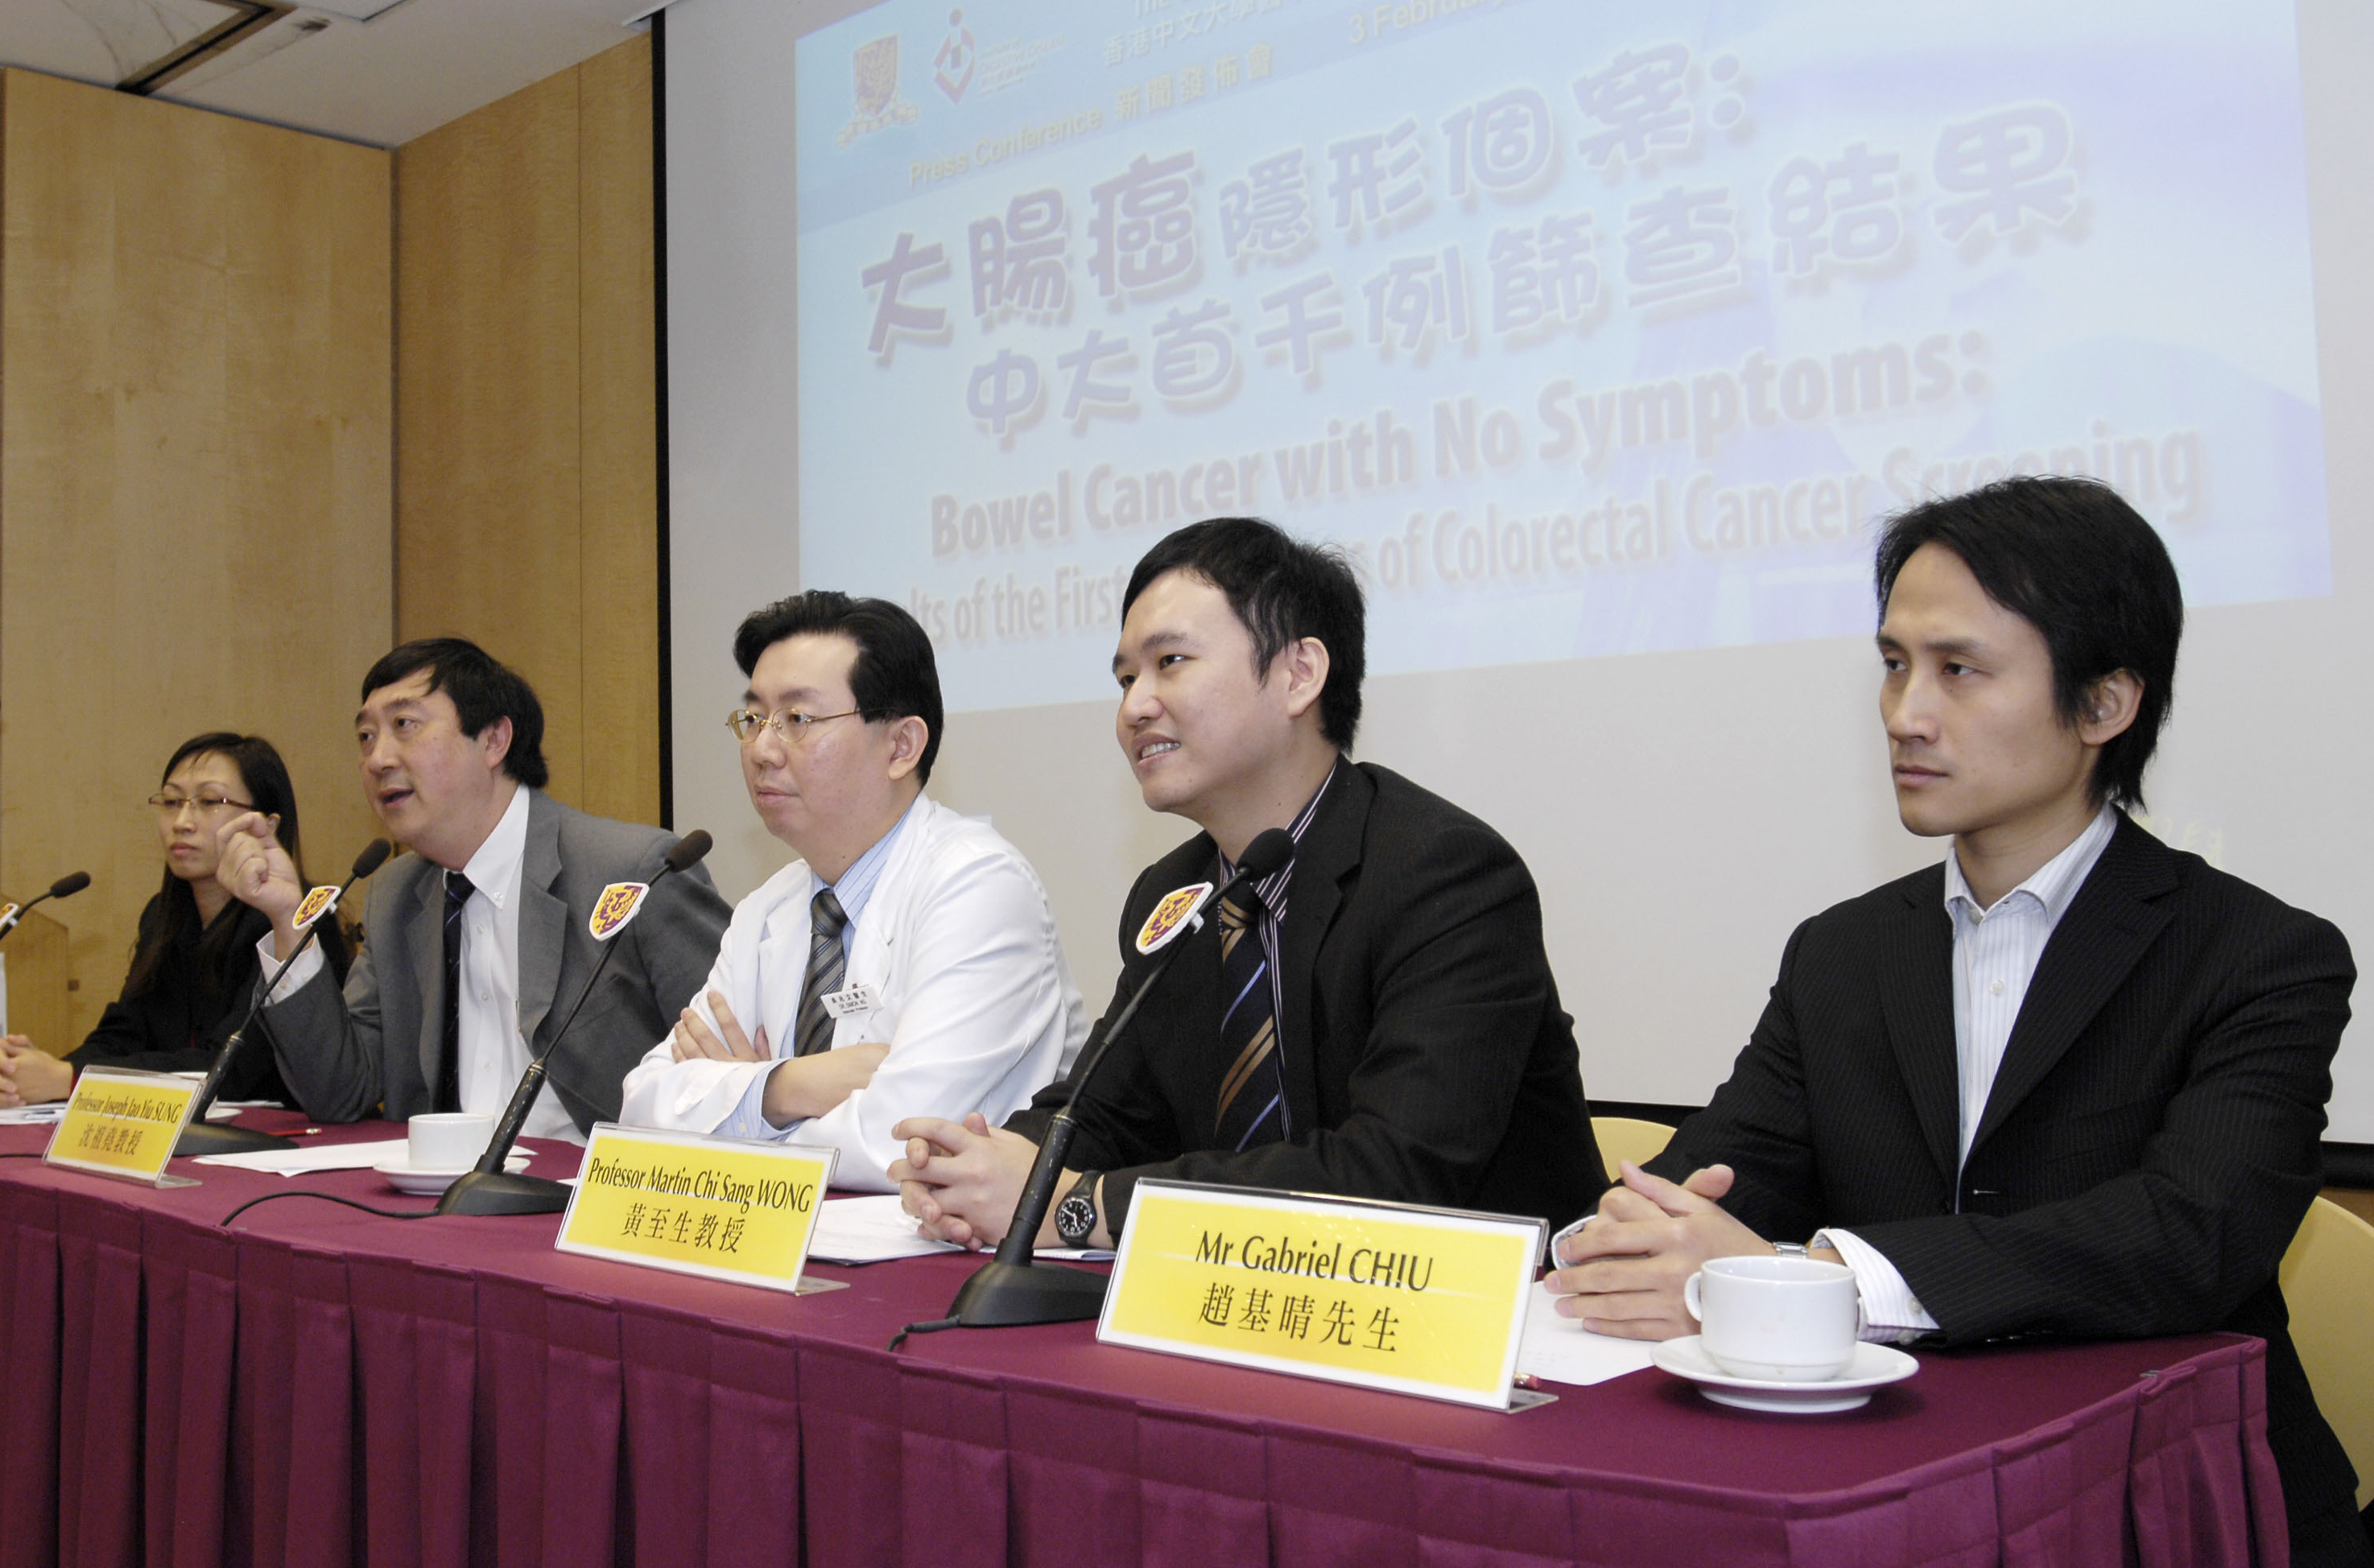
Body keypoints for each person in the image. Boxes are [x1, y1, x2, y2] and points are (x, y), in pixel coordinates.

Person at [1545, 477, 2366, 1567]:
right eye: (1893, 665)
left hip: (2165, 1500)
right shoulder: (1843, 951)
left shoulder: (2257, 953)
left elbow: (2190, 1233)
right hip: (1890, 1487)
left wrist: (1830, 1281)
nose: (1904, 714)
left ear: (2105, 704)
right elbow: (1725, 1174)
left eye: (1959, 671)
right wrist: (1641, 1236)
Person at [889, 517, 1604, 1250]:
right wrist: (986, 1168)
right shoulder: (1176, 893)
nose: (1134, 705)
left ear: (1298, 675)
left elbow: (1394, 1174)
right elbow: (1104, 1115)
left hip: (1487, 1327)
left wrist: (1078, 1206)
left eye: (1170, 662)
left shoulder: (1445, 875)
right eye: (1126, 677)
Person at [619, 592, 1082, 1190]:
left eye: (798, 720)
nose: (761, 749)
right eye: (755, 718)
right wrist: (793, 1086)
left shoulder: (977, 884)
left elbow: (897, 1142)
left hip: (942, 1263)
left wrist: (733, 1109)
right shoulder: (769, 907)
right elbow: (642, 1107)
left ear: (900, 747)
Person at [214, 638, 729, 1139]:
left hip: (595, 1199)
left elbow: (735, 1064)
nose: (376, 760)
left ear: (493, 741)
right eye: (366, 737)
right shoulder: (396, 894)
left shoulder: (631, 871)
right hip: (450, 1197)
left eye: (404, 725)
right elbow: (340, 1091)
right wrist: (287, 918)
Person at [0, 732, 350, 1108]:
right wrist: (47, 1071)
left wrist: (71, 1080)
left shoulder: (297, 924)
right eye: (171, 802)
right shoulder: (163, 918)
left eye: (208, 801)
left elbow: (231, 1069)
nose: (182, 821)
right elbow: (123, 1034)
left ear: (266, 824)